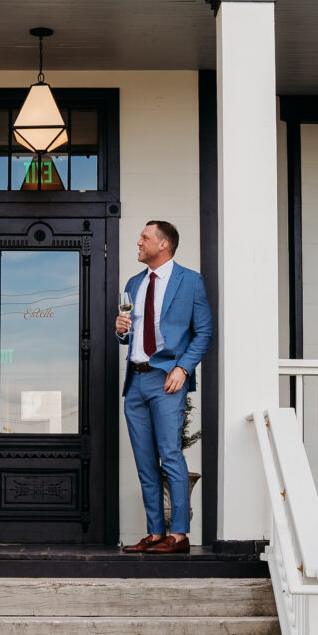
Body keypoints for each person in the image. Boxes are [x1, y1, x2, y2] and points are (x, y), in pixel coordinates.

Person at [115, 218, 211, 554]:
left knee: (170, 454)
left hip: (167, 378)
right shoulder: (134, 283)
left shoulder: (190, 282)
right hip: (136, 380)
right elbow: (127, 336)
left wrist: (183, 368)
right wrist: (121, 329)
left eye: (144, 238)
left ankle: (180, 535)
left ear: (163, 244)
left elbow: (204, 333)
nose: (138, 243)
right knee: (144, 460)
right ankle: (155, 532)